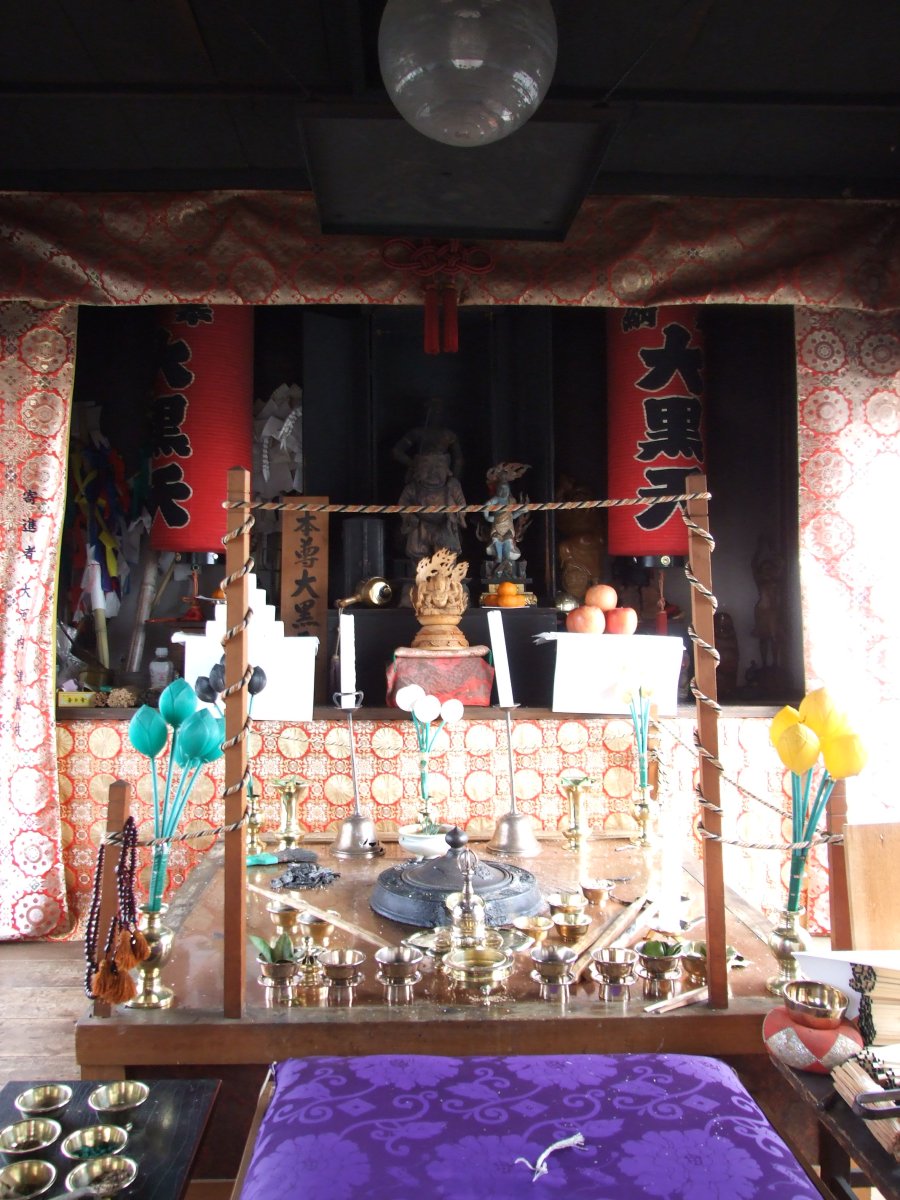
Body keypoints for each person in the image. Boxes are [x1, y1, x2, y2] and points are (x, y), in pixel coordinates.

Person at [393, 399, 466, 561]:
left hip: (444, 521)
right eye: (433, 411)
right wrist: (415, 464)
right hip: (420, 520)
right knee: (417, 551)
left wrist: (453, 479)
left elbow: (459, 460)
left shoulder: (448, 435)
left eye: (439, 411)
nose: (435, 415)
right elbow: (397, 451)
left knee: (447, 551)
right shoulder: (417, 433)